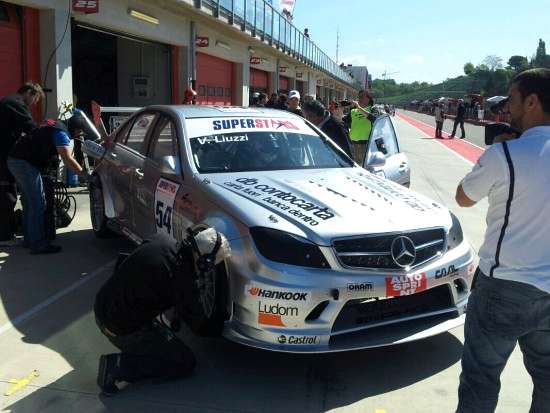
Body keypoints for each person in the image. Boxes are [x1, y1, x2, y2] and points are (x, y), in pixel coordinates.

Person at [454, 68, 550, 413]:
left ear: (532, 101)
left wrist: (493, 152)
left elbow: (463, 197)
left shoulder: (505, 155)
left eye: (511, 99)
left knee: (480, 380)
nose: (506, 108)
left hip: (502, 288)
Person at [95, 229, 230, 396]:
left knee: (160, 338)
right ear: (205, 261)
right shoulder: (181, 279)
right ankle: (117, 366)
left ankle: (138, 347)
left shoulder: (162, 239)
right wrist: (224, 326)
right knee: (183, 362)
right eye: (212, 265)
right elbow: (200, 326)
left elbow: (125, 261)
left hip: (103, 304)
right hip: (118, 326)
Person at [7, 119, 85, 254]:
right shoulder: (61, 133)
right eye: (79, 131)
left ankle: (29, 239)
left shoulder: (54, 126)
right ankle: (38, 243)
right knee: (38, 203)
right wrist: (85, 175)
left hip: (15, 160)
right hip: (24, 163)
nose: (79, 135)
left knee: (29, 202)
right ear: (74, 127)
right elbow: (67, 158)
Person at [0, 82, 43, 244]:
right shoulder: (16, 103)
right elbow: (30, 127)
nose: (33, 104)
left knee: (7, 191)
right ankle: (4, 236)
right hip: (3, 155)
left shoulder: (8, 101)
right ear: (30, 93)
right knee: (7, 193)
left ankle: (6, 232)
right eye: (35, 100)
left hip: (5, 154)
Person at [346, 90, 376, 165]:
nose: (359, 99)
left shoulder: (372, 109)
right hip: (352, 144)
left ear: (368, 98)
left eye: (361, 97)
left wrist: (359, 108)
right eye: (358, 97)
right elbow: (344, 123)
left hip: (365, 145)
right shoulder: (354, 111)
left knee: (362, 167)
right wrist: (338, 111)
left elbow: (374, 118)